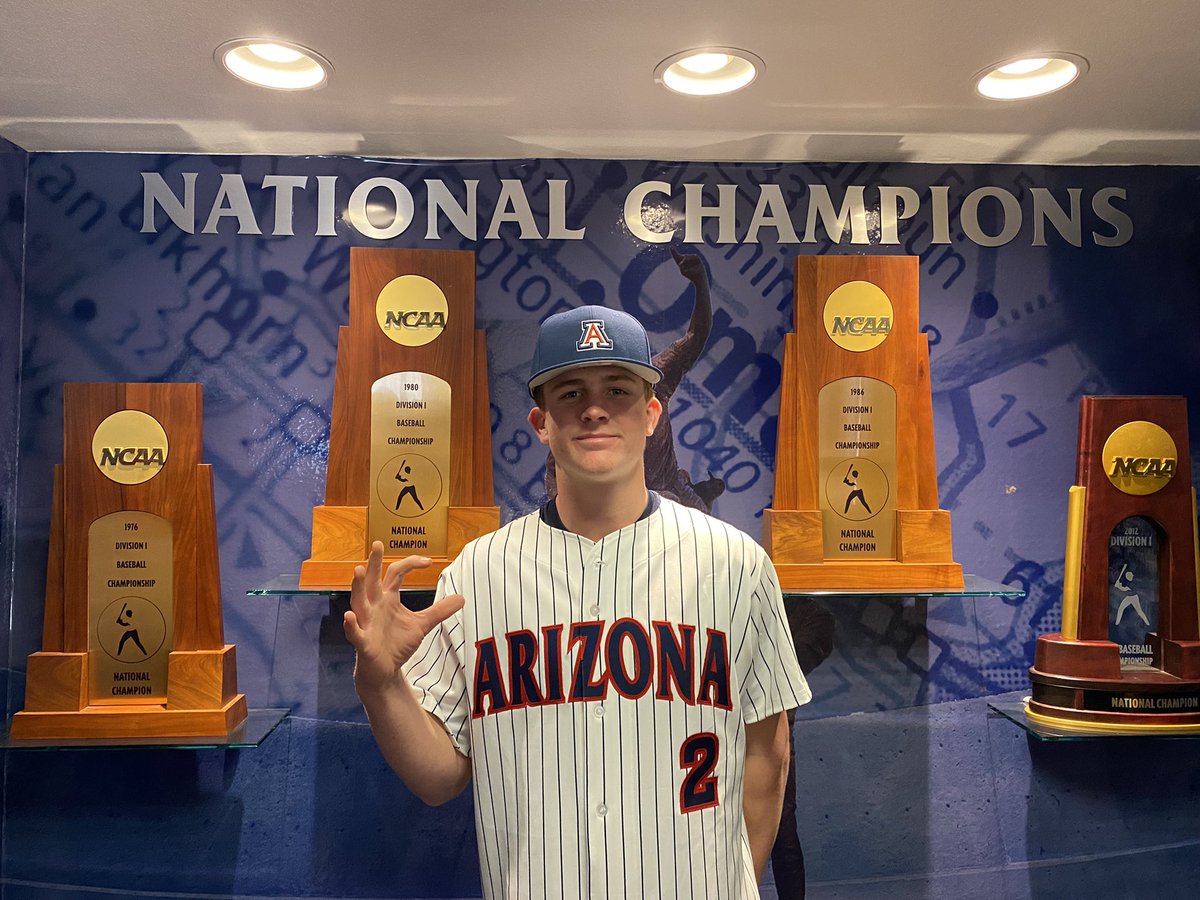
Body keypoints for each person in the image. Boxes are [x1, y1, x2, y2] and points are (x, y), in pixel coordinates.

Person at [345, 304, 810, 898]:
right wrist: (382, 685)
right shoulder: (478, 573)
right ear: (541, 422)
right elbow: (439, 779)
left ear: (651, 414)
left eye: (617, 388)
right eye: (570, 392)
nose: (594, 408)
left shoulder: (737, 564)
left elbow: (766, 758)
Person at [545, 248, 726, 512]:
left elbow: (697, 335)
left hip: (670, 488)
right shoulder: (575, 423)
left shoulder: (654, 378)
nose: (599, 405)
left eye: (617, 388)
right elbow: (557, 484)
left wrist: (700, 281)